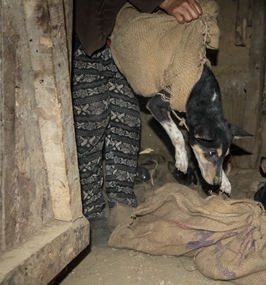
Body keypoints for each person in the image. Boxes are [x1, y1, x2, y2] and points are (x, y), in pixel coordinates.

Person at [72, 0, 203, 245]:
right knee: (92, 118)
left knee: (126, 121)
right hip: (86, 35)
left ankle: (122, 203)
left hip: (124, 37)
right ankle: (91, 209)